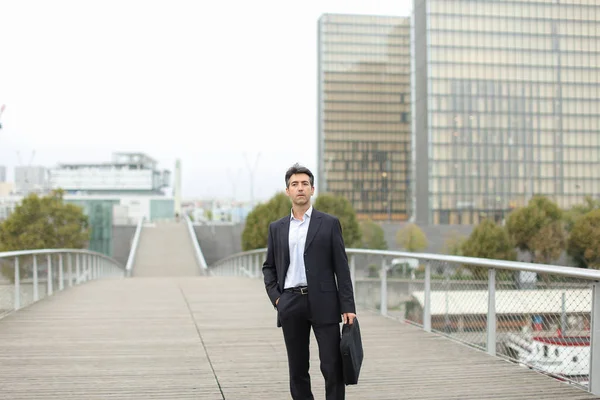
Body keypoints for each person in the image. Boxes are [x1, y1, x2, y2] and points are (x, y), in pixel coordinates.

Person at [262, 163, 356, 400]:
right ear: (288, 191)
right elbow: (268, 267)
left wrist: (348, 307)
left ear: (312, 189)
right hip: (290, 303)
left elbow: (341, 268)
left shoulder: (329, 223)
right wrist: (277, 299)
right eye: (295, 184)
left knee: (332, 367)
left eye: (304, 184)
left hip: (324, 302)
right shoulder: (277, 228)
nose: (300, 188)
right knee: (297, 369)